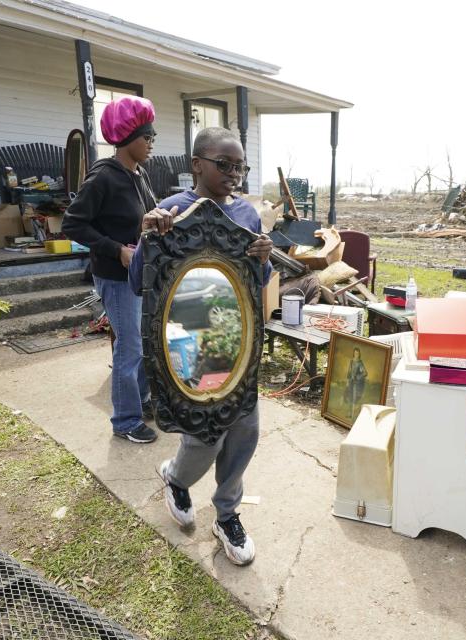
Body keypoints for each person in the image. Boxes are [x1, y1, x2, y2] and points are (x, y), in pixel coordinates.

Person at [130, 126, 272, 566]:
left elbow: (256, 282)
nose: (234, 173)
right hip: (188, 342)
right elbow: (139, 280)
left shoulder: (247, 216)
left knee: (245, 430)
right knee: (204, 436)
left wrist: (263, 261)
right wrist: (146, 238)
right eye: (223, 164)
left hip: (235, 339)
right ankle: (176, 478)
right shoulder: (170, 211)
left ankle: (227, 512)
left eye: (240, 166)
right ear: (197, 164)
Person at [63, 95, 171, 444]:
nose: (152, 143)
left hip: (140, 273)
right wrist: (116, 250)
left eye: (152, 136)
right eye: (147, 137)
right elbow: (72, 225)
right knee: (129, 347)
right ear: (127, 139)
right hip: (116, 275)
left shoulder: (138, 174)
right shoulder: (103, 177)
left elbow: (148, 215)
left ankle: (139, 402)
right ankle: (125, 420)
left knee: (142, 343)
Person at [344, 347, 368, 423]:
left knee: (355, 399)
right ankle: (350, 414)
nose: (356, 354)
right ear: (353, 353)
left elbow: (365, 373)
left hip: (356, 384)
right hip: (350, 382)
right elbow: (349, 372)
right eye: (355, 353)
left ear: (359, 354)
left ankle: (354, 416)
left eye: (357, 353)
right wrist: (347, 382)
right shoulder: (351, 361)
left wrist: (357, 377)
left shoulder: (360, 363)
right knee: (350, 398)